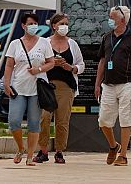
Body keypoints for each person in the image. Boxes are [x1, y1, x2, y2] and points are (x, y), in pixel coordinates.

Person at [95, 6, 131, 167]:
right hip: (108, 84)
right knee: (103, 121)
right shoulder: (106, 37)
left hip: (127, 83)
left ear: (122, 20)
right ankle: (113, 146)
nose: (110, 20)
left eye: (113, 17)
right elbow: (102, 61)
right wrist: (97, 84)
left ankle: (123, 156)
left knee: (126, 119)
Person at [3, 13, 55, 166]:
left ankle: (30, 156)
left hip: (36, 90)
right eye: (30, 23)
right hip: (18, 87)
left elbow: (51, 62)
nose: (33, 26)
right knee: (14, 121)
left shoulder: (44, 43)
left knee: (34, 123)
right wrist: (7, 83)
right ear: (23, 26)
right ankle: (20, 148)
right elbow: (9, 65)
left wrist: (39, 69)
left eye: (35, 23)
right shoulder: (15, 44)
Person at [36, 13, 85, 164]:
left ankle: (59, 151)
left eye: (66, 23)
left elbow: (81, 65)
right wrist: (51, 64)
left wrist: (70, 67)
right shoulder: (44, 42)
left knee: (62, 120)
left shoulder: (72, 44)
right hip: (47, 85)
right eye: (62, 23)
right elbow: (37, 63)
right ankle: (43, 150)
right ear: (54, 26)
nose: (65, 26)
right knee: (44, 118)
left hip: (66, 86)